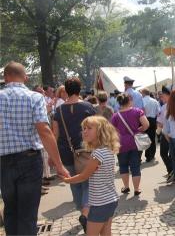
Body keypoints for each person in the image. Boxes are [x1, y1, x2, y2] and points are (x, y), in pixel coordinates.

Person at [0, 61, 69, 235]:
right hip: (29, 160)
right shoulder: (34, 97)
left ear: (5, 77)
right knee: (27, 213)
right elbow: (44, 131)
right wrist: (59, 165)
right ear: (25, 77)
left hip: (3, 162)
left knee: (10, 209)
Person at [62, 116, 119, 236]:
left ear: (101, 131)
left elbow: (84, 176)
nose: (85, 131)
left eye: (89, 128)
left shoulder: (97, 153)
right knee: (106, 233)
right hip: (110, 199)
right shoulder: (107, 150)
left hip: (100, 203)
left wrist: (67, 180)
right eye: (84, 128)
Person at [52, 77, 97, 233]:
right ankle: (85, 213)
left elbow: (55, 134)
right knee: (87, 184)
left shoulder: (58, 110)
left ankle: (81, 211)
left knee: (74, 183)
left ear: (66, 90)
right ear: (79, 89)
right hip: (85, 150)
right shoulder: (88, 106)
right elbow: (96, 129)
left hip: (66, 152)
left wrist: (53, 155)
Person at [111, 93, 149, 195]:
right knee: (135, 166)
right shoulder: (137, 111)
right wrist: (138, 130)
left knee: (123, 166)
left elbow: (112, 131)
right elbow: (146, 124)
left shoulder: (115, 115)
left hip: (121, 143)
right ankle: (136, 189)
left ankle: (126, 187)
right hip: (135, 142)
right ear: (130, 101)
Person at [157, 86, 174, 183]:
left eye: (162, 96)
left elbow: (160, 123)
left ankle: (172, 171)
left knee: (163, 153)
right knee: (173, 155)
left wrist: (157, 132)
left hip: (166, 134)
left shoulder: (164, 107)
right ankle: (173, 172)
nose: (161, 98)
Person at [141, 88, 160, 162]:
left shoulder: (143, 100)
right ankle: (152, 154)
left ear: (144, 93)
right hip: (153, 120)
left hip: (145, 119)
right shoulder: (155, 101)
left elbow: (142, 110)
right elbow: (158, 112)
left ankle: (148, 155)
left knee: (145, 138)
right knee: (152, 137)